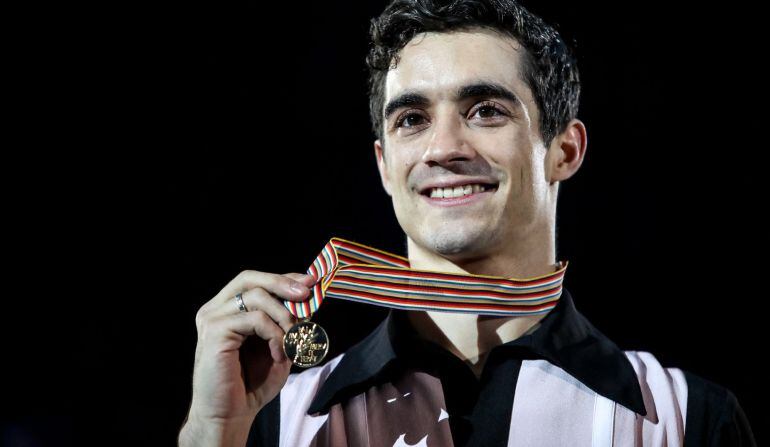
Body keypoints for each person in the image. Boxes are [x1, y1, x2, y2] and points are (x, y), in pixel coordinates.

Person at [178, 0, 756, 446]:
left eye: (485, 111)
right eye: (411, 119)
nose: (444, 148)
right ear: (384, 165)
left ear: (565, 150)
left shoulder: (686, 420)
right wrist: (213, 429)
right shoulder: (276, 419)